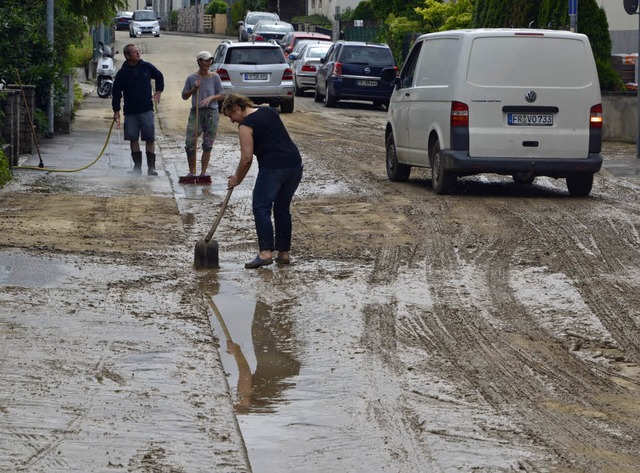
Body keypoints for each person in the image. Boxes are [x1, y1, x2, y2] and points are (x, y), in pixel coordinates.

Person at [221, 94, 303, 269]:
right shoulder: (269, 111)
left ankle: (265, 253)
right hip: (294, 165)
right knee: (282, 208)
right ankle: (284, 253)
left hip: (273, 168)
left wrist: (237, 179)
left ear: (235, 108)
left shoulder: (246, 125)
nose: (232, 121)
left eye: (230, 116)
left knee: (261, 207)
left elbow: (246, 159)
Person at [112, 44, 164, 176]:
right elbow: (116, 93)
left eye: (138, 51)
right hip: (130, 111)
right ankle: (137, 167)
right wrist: (116, 111)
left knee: (149, 138)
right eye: (135, 52)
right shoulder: (122, 73)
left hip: (146, 109)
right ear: (127, 56)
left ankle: (151, 168)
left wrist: (158, 92)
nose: (138, 53)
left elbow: (159, 76)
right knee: (133, 138)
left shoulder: (146, 67)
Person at [181, 51, 225, 178]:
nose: (208, 63)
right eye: (205, 60)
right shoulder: (191, 78)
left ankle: (203, 172)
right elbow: (184, 96)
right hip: (196, 112)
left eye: (210, 60)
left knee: (208, 144)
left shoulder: (215, 77)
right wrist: (193, 89)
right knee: (190, 143)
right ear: (199, 62)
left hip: (212, 112)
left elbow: (222, 94)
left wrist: (211, 97)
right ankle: (192, 172)